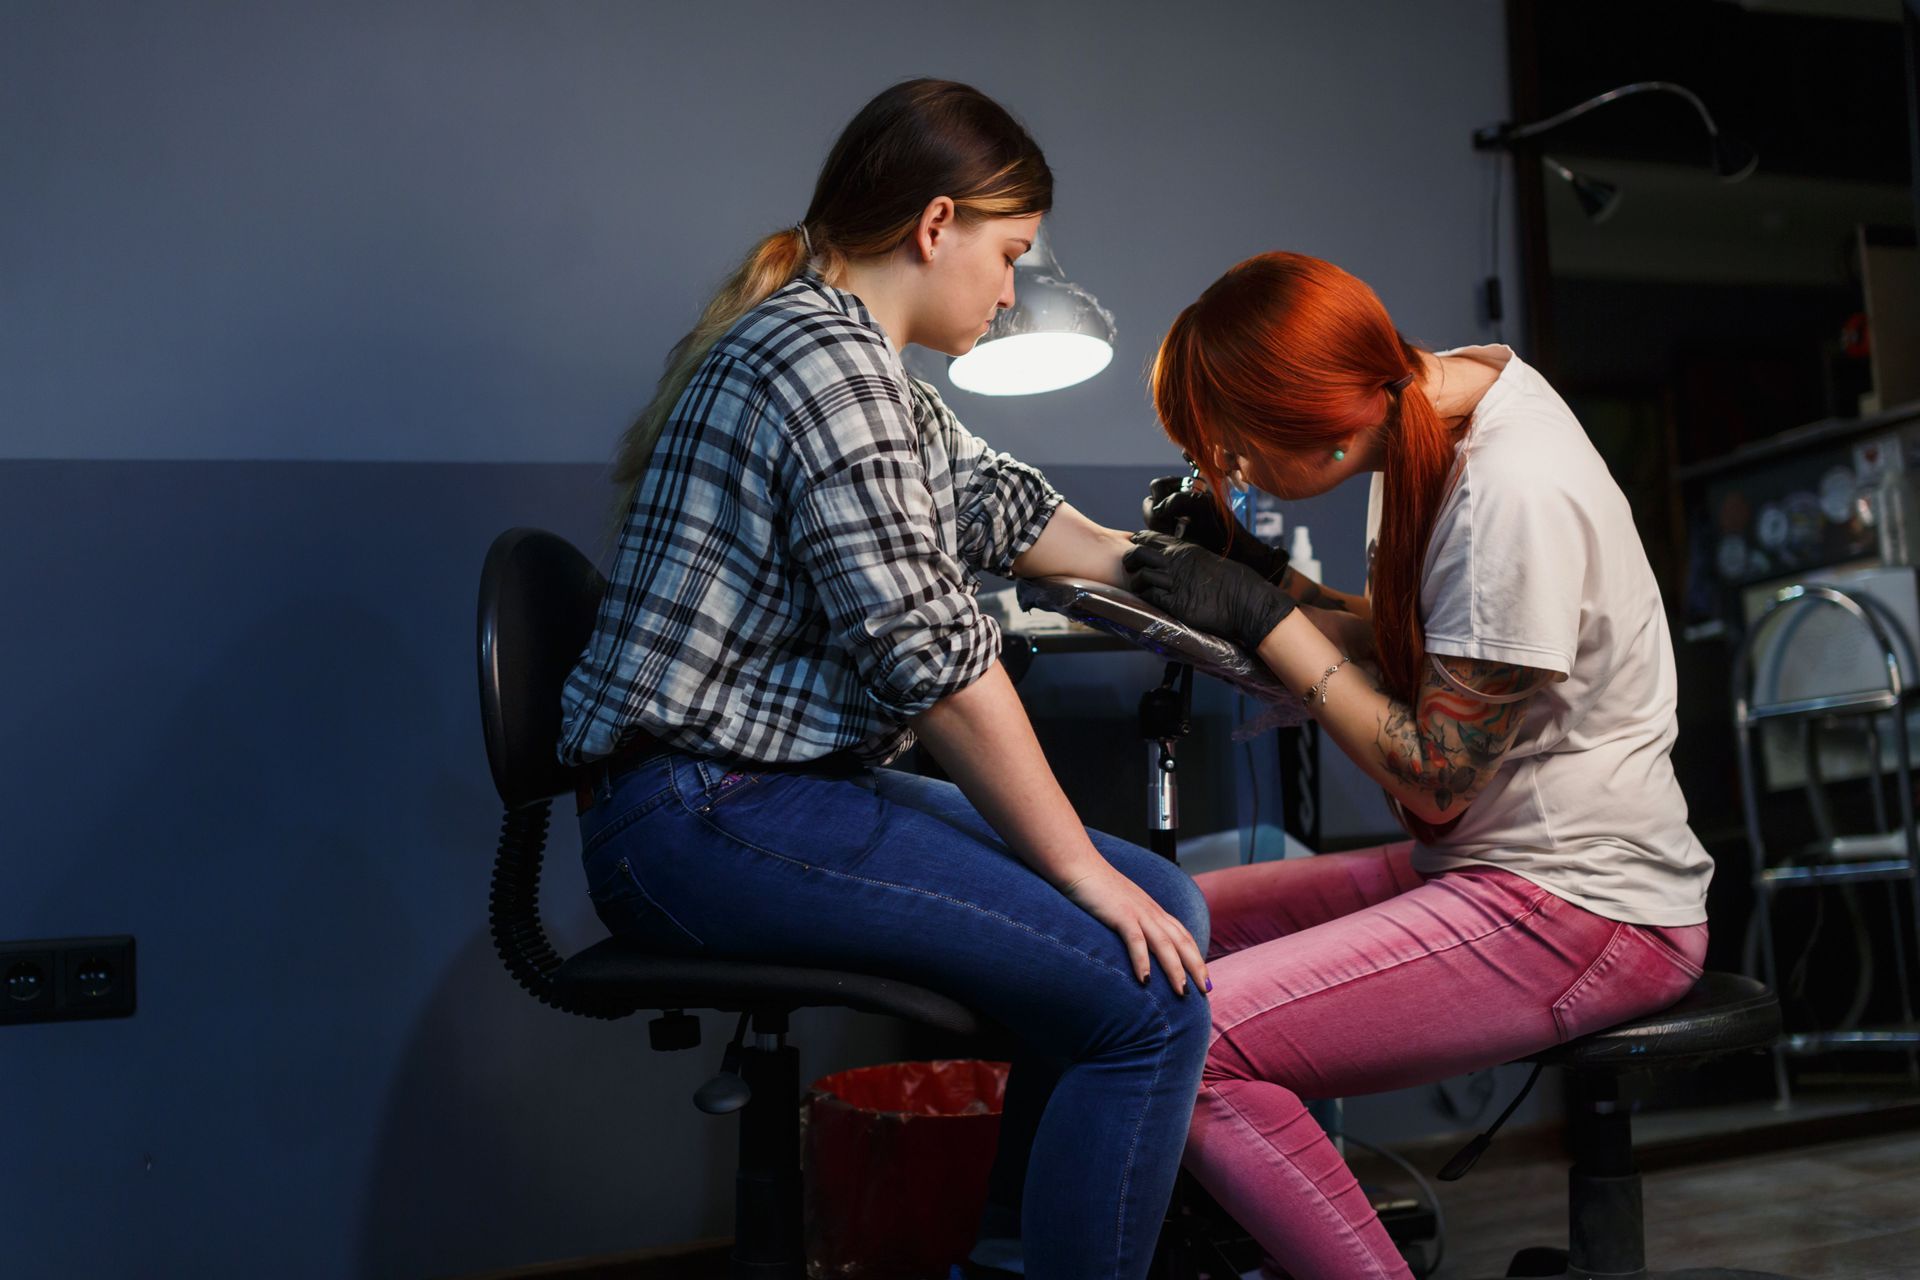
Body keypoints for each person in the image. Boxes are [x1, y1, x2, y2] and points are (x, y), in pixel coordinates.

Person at [557, 79, 1211, 1280]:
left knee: (1165, 897)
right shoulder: (823, 362)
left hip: (753, 792)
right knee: (1148, 994)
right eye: (1010, 254)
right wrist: (1072, 868)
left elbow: (1002, 507)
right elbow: (938, 667)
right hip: (700, 814)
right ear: (936, 225)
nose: (1013, 289)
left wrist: (1168, 563)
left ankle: (1012, 1260)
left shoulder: (863, 366)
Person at [1124, 251, 1714, 1279]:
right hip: (1500, 865)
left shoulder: (1507, 492)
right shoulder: (1427, 417)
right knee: (1162, 915)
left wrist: (1269, 623)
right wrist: (1272, 579)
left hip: (1586, 902)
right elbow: (1444, 641)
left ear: (1328, 415)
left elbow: (1438, 768)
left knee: (1190, 1039)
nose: (1231, 464)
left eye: (1234, 442)